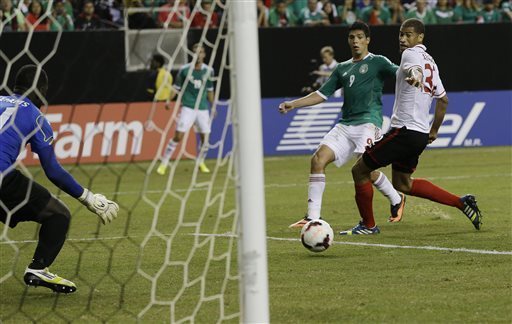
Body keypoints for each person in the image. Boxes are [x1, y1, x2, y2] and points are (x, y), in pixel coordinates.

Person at [346, 18, 482, 235]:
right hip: (418, 134)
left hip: (405, 131)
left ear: (420, 37)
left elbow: (414, 69)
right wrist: (434, 130)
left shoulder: (410, 54)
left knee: (360, 169)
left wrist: (415, 76)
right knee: (403, 184)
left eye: (408, 34)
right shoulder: (433, 63)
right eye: (401, 34)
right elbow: (443, 100)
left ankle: (368, 225)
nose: (402, 38)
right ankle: (461, 202)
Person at [0, 65, 119, 293]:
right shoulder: (36, 117)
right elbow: (52, 169)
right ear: (40, 89)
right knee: (58, 214)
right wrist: (88, 198)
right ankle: (39, 268)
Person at [279, 22, 406, 228]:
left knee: (364, 168)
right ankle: (312, 218)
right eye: (351, 37)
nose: (355, 41)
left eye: (359, 37)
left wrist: (414, 73)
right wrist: (293, 104)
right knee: (318, 160)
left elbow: (399, 73)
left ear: (367, 40)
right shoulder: (342, 68)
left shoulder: (378, 62)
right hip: (345, 125)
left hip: (368, 122)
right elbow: (321, 94)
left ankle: (396, 199)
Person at [157, 43, 215, 175]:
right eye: (195, 53)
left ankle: (201, 162)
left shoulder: (209, 71)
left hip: (202, 108)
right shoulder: (184, 70)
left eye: (200, 53)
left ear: (204, 55)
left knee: (205, 139)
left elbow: (210, 90)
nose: (198, 55)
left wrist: (213, 106)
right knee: (178, 136)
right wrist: (168, 100)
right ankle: (164, 163)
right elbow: (177, 87)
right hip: (188, 107)